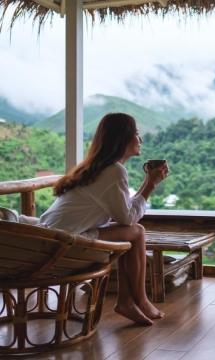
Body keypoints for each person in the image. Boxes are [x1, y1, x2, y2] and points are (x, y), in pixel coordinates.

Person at [39, 112, 168, 326]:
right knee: (137, 232)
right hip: (64, 246)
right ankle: (139, 300)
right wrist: (151, 184)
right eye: (136, 134)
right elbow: (127, 218)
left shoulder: (97, 166)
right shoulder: (114, 171)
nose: (140, 140)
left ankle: (128, 301)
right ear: (123, 138)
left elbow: (124, 214)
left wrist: (148, 184)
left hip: (52, 239)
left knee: (131, 233)